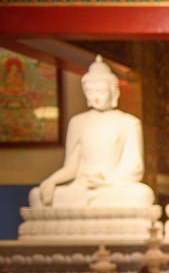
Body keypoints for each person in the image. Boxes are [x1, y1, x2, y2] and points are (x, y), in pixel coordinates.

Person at [29, 55, 154, 208]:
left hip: (111, 187)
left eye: (101, 91)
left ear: (113, 92)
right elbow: (71, 167)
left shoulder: (128, 123)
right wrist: (52, 181)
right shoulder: (77, 122)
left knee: (142, 196)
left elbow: (135, 168)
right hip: (81, 187)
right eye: (90, 91)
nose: (95, 96)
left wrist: (106, 180)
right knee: (36, 196)